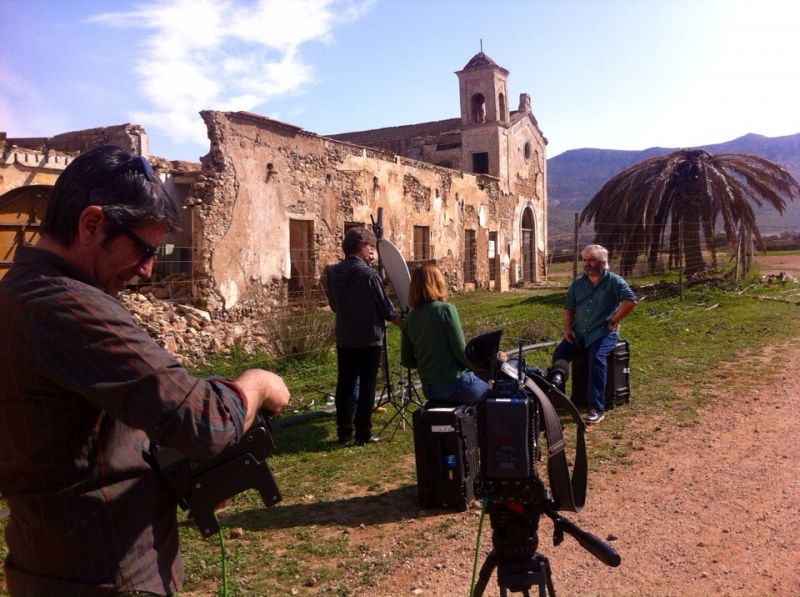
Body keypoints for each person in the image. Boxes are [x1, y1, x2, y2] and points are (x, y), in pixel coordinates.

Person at [0, 145, 291, 596]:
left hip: (47, 563)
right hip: (107, 573)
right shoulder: (69, 306)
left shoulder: (15, 294)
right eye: (143, 249)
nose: (148, 270)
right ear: (92, 224)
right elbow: (205, 421)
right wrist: (256, 384)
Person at [325, 227, 400, 445]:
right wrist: (407, 325)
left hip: (345, 337)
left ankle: (344, 432)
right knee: (367, 386)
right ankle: (363, 433)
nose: (371, 252)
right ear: (361, 247)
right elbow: (387, 311)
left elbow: (335, 306)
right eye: (369, 247)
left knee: (345, 385)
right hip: (369, 339)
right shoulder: (369, 275)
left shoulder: (332, 273)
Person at [552, 244, 637, 424]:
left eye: (591, 260)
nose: (587, 264)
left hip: (603, 333)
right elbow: (569, 308)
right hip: (579, 333)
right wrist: (568, 329)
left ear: (602, 262)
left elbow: (630, 301)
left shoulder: (614, 281)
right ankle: (557, 403)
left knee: (597, 359)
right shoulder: (578, 284)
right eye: (584, 260)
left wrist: (613, 320)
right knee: (559, 355)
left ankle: (596, 409)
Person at [401, 263, 488, 405]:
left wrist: (430, 365)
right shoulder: (445, 310)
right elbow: (461, 352)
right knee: (495, 392)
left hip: (429, 388)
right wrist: (479, 368)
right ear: (438, 283)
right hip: (455, 384)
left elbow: (407, 360)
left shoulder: (410, 318)